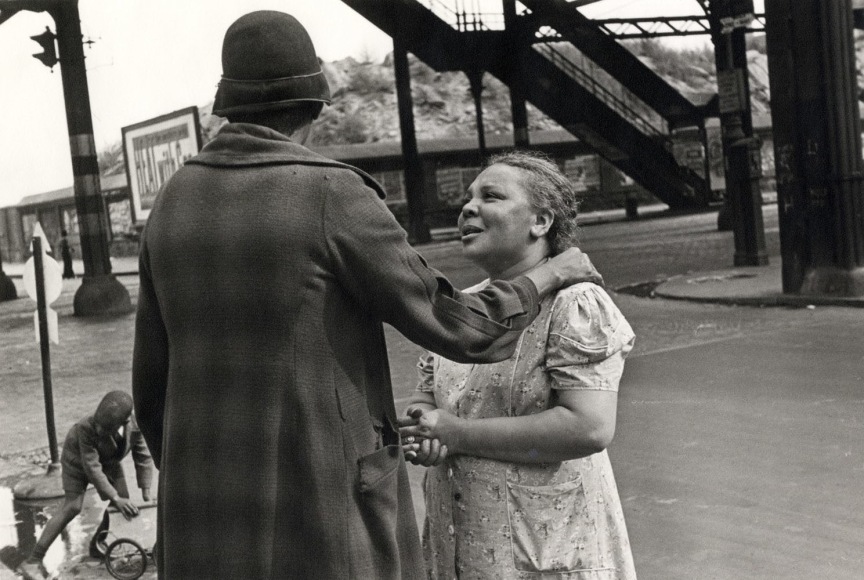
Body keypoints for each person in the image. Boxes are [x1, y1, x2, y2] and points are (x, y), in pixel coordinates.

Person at [131, 11, 602, 580]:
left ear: (227, 104)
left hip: (207, 518)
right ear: (315, 108)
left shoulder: (172, 202)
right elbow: (461, 327)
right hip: (323, 515)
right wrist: (548, 275)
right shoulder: (331, 192)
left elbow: (150, 384)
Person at [399, 151, 638, 579]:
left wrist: (456, 433)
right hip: (463, 546)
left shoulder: (573, 303)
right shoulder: (465, 308)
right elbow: (428, 393)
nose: (469, 208)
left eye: (491, 196)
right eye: (467, 199)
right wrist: (423, 427)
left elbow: (589, 426)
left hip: (544, 551)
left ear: (541, 222)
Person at [19, 391, 153, 580]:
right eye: (97, 425)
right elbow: (91, 467)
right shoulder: (85, 427)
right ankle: (33, 560)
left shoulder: (135, 425)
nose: (98, 430)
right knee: (73, 506)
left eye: (104, 429)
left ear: (124, 422)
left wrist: (146, 493)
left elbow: (142, 455)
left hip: (110, 462)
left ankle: (98, 544)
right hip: (77, 463)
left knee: (123, 505)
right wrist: (114, 496)